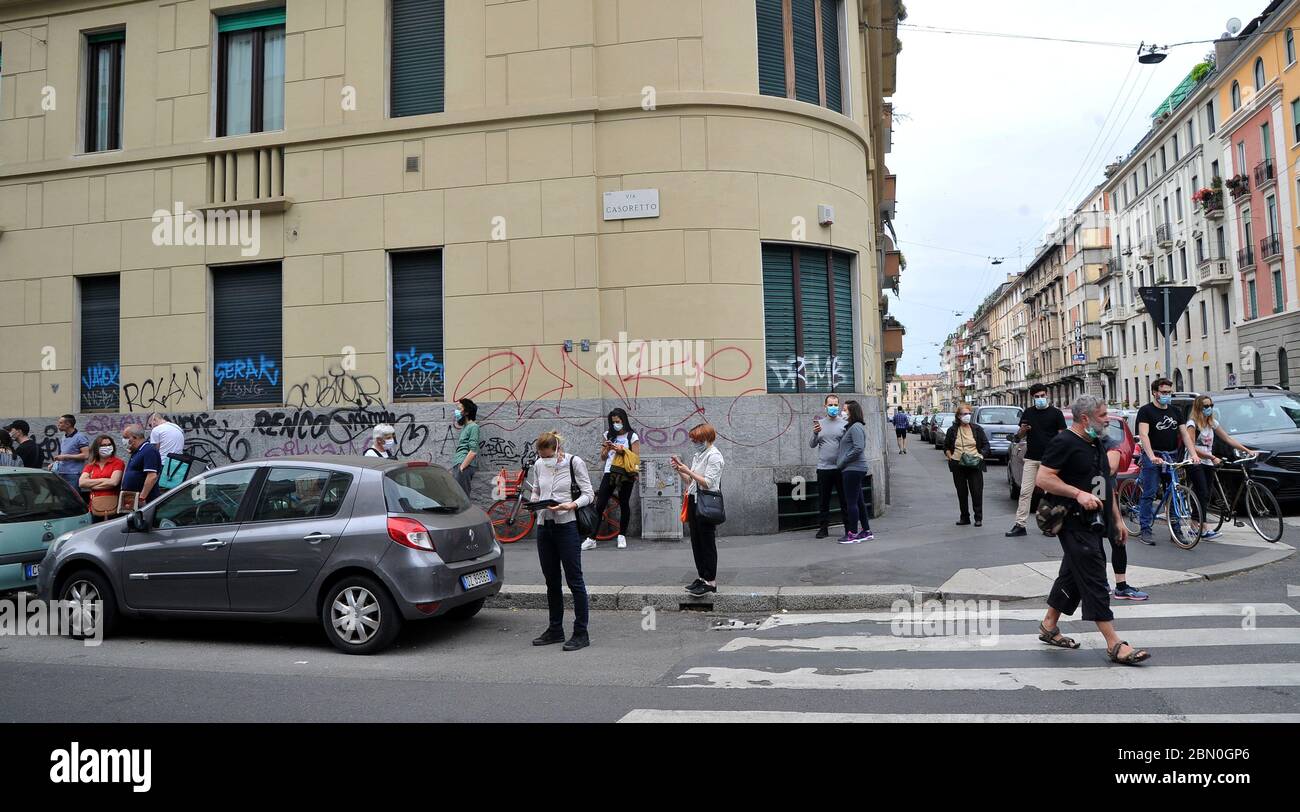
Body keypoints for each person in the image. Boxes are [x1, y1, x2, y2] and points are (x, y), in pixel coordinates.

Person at [1036, 394, 1150, 665]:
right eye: (1102, 416)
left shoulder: (1095, 442)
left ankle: (1049, 625)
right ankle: (1114, 643)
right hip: (1072, 522)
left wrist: (1117, 520)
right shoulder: (1064, 442)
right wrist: (1077, 494)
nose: (1106, 420)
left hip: (1095, 522)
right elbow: (1043, 478)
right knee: (1095, 579)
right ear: (1085, 418)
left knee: (1073, 575)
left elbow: (1102, 484)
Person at [525, 431, 594, 651]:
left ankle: (581, 632)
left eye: (547, 455)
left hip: (567, 526)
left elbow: (589, 494)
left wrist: (570, 505)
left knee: (575, 580)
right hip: (545, 527)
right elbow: (536, 488)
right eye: (541, 456)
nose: (544, 460)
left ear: (556, 450)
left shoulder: (575, 462)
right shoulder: (538, 464)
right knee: (551, 581)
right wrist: (535, 502)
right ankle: (555, 629)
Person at [1183, 394, 1256, 541]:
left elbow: (1228, 438)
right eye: (1206, 406)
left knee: (1205, 494)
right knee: (1202, 492)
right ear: (1198, 408)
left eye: (1211, 405)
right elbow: (1190, 446)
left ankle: (1194, 525)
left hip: (1208, 462)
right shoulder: (1192, 424)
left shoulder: (1211, 423)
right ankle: (1203, 527)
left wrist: (1247, 450)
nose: (1209, 408)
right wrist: (1211, 457)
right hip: (1195, 461)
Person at [672, 423, 725, 597]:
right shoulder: (699, 455)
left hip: (707, 501)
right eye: (693, 440)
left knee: (707, 542)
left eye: (697, 440)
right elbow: (691, 481)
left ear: (707, 438)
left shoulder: (714, 456)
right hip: (694, 499)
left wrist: (688, 470)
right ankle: (702, 577)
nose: (694, 442)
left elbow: (708, 482)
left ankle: (711, 581)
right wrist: (680, 470)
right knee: (696, 541)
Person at [1007, 384, 1066, 537]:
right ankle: (1020, 525)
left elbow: (1062, 436)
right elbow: (1019, 436)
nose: (1040, 399)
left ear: (1047, 395)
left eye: (1042, 396)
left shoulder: (1056, 413)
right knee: (1025, 492)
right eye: (1037, 397)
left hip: (1050, 461)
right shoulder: (1028, 413)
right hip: (1031, 458)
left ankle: (1051, 526)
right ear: (1032, 398)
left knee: (1050, 494)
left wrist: (1060, 455)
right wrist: (1023, 430)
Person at [1100, 426, 1148, 601]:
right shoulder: (1078, 443)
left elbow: (1111, 469)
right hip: (1085, 497)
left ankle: (1121, 585)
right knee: (1094, 541)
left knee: (1118, 538)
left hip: (1105, 495)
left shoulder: (1109, 443)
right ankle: (1102, 582)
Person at [1136, 378, 1185, 545]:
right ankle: (1145, 529)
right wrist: (1150, 456)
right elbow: (1144, 435)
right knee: (1149, 492)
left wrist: (1193, 454)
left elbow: (1185, 435)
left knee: (1174, 492)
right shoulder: (1146, 411)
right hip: (1154, 454)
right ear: (1154, 393)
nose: (1166, 395)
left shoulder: (1176, 411)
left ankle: (1175, 530)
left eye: (1169, 392)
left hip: (1170, 455)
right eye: (1163, 392)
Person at [583, 408, 640, 551]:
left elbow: (636, 458)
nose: (616, 424)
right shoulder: (608, 434)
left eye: (618, 421)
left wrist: (622, 451)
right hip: (610, 471)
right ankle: (592, 537)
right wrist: (607, 449)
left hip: (626, 473)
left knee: (624, 503)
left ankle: (622, 535)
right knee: (600, 503)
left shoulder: (632, 436)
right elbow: (602, 458)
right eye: (613, 422)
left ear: (624, 420)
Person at [944, 403, 990, 527]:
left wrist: (981, 456)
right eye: (965, 414)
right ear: (958, 416)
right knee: (961, 492)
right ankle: (964, 517)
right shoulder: (952, 430)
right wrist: (950, 457)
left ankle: (978, 518)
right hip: (958, 464)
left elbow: (986, 445)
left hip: (974, 464)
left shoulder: (977, 429)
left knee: (976, 491)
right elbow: (946, 447)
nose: (967, 416)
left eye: (969, 414)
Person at [810, 394, 849, 539]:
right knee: (823, 501)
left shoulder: (844, 423)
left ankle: (848, 528)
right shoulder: (820, 423)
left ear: (838, 406)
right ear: (825, 406)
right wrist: (815, 433)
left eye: (835, 405)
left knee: (844, 500)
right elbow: (812, 444)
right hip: (824, 469)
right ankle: (823, 528)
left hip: (840, 468)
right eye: (830, 405)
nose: (833, 407)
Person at [836, 400, 873, 543]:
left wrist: (843, 461)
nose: (842, 412)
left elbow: (858, 448)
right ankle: (866, 530)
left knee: (851, 502)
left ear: (852, 411)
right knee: (858, 501)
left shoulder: (856, 427)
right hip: (854, 468)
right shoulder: (851, 427)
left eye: (845, 409)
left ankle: (852, 534)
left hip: (853, 469)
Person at [79, 435, 125, 522]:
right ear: (97, 448)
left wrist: (92, 485)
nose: (107, 447)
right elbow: (81, 482)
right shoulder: (91, 465)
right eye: (103, 445)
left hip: (112, 505)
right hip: (94, 506)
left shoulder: (118, 463)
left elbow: (114, 482)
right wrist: (105, 480)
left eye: (109, 444)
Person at [120, 424, 162, 506]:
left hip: (144, 501)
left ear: (134, 437)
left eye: (126, 437)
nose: (123, 440)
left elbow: (152, 476)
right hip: (131, 498)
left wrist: (142, 497)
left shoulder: (149, 450)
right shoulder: (138, 451)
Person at [51, 414, 90, 499]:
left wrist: (66, 456)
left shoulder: (80, 437)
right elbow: (64, 454)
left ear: (68, 424)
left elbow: (86, 455)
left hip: (73, 474)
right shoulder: (64, 437)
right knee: (63, 499)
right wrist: (55, 463)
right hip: (61, 473)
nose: (58, 425)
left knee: (73, 498)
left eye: (60, 423)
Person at [147, 413, 186, 494]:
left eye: (150, 425)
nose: (151, 428)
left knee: (159, 493)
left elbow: (154, 451)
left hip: (163, 465)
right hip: (178, 464)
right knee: (174, 493)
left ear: (154, 420)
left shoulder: (157, 430)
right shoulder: (177, 428)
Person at [451, 398, 480, 497]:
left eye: (459, 409)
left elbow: (473, 450)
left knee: (462, 498)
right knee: (457, 497)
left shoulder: (474, 427)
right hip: (459, 463)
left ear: (466, 412)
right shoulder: (466, 427)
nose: (457, 411)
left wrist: (462, 467)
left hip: (464, 466)